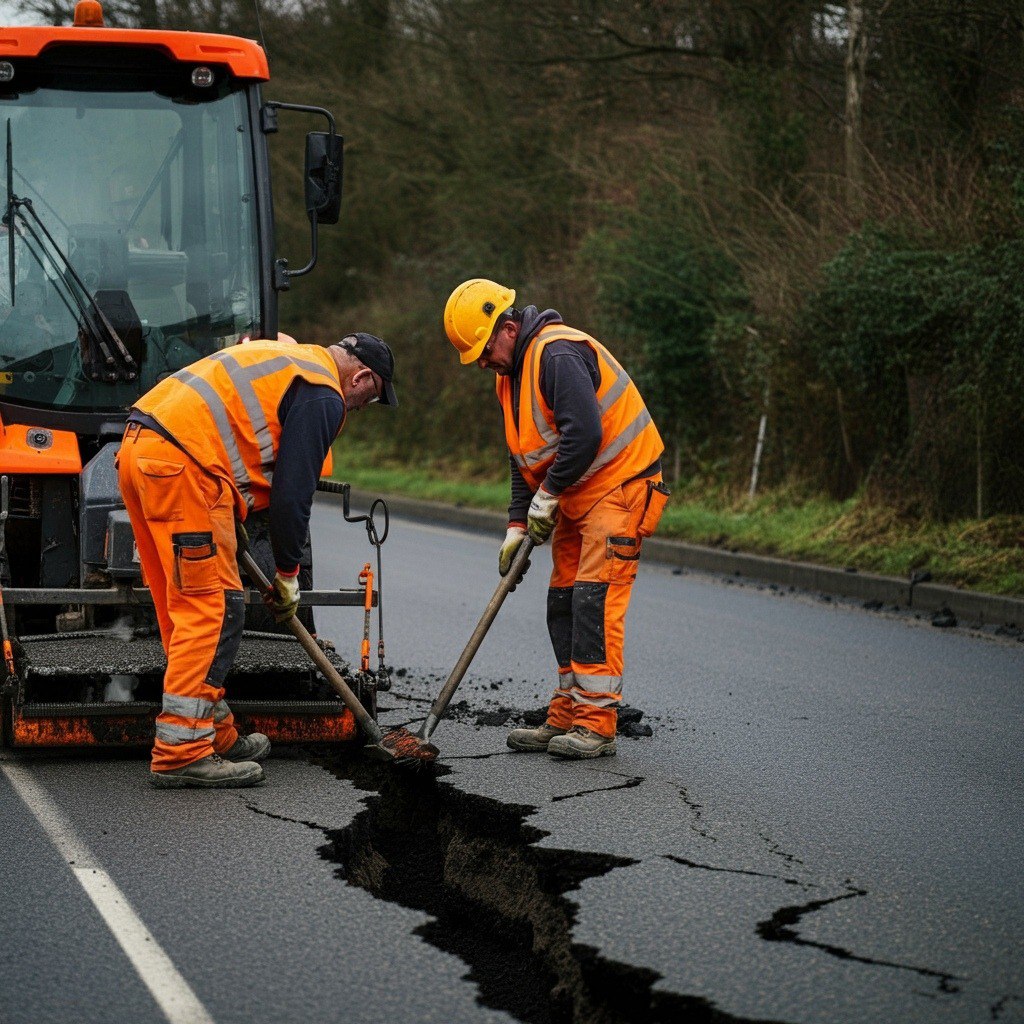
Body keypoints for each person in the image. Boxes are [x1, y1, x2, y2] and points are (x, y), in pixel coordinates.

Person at [117, 333, 398, 788]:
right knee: (214, 607)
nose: (362, 409)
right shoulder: (324, 394)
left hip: (140, 449)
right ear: (363, 377)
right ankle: (181, 752)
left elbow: (245, 442)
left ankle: (213, 732)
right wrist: (287, 575)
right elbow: (292, 495)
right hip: (186, 464)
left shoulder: (293, 358)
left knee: (183, 607)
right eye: (371, 398)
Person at [444, 280, 669, 759]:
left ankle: (596, 723)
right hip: (576, 491)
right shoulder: (508, 377)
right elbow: (523, 454)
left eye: (484, 351)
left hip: (620, 485)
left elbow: (584, 434)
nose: (483, 363)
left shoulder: (557, 354)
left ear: (508, 327)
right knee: (563, 600)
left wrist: (545, 497)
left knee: (593, 599)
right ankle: (567, 710)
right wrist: (517, 525)